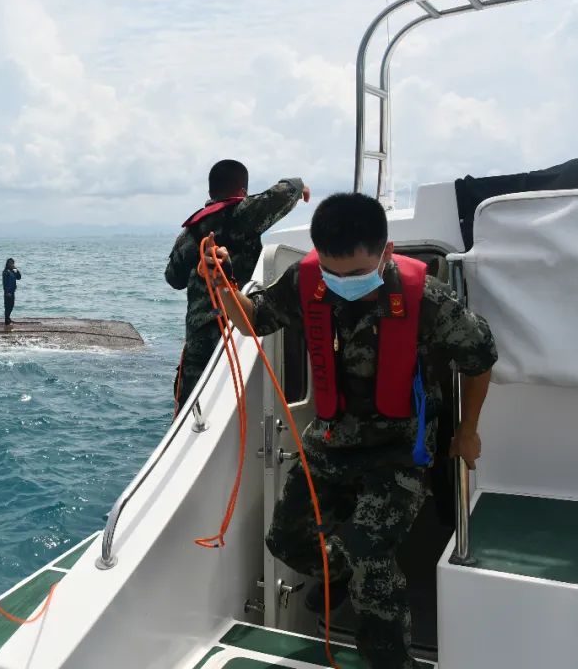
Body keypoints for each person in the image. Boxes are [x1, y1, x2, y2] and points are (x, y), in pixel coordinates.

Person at [212, 192, 497, 668]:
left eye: (357, 273)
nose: (344, 283)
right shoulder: (305, 283)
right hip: (332, 439)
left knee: (371, 556)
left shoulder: (427, 300)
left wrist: (467, 431)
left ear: (386, 253)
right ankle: (340, 572)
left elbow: (480, 359)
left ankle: (390, 659)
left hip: (400, 447)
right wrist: (222, 285)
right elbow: (251, 321)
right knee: (286, 541)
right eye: (332, 272)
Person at [165, 159, 309, 411]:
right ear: (242, 191)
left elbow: (173, 278)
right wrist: (300, 187)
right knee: (236, 405)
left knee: (193, 410)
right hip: (238, 325)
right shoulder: (244, 212)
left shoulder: (192, 230)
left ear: (210, 193)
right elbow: (286, 190)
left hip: (199, 335)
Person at [2, 258, 22, 324]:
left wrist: (16, 270)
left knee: (11, 305)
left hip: (12, 291)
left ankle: (8, 318)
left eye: (12, 263)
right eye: (10, 263)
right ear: (7, 264)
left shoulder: (13, 271)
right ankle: (6, 320)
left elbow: (19, 277)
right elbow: (5, 283)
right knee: (7, 306)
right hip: (7, 292)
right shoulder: (5, 272)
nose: (11, 264)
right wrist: (7, 292)